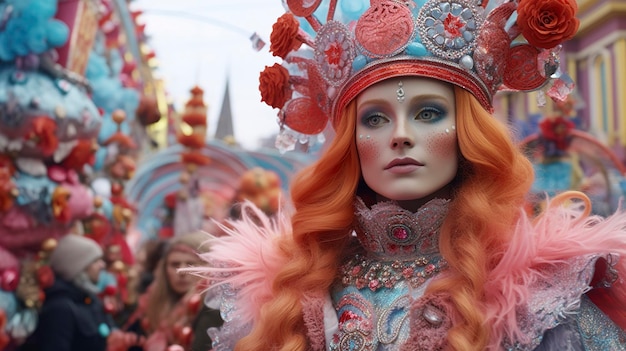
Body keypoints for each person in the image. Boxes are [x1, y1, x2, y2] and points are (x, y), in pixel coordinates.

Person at [192, 0, 626, 350]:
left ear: (468, 134)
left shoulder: (541, 296)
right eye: (375, 119)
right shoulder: (288, 292)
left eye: (428, 113)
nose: (400, 136)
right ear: (350, 143)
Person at [19, 234, 140, 351]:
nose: (102, 265)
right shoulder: (60, 308)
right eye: (96, 261)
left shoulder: (90, 300)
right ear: (79, 266)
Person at [125, 231, 222, 350]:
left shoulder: (214, 308)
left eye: (190, 264)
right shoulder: (151, 305)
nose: (181, 271)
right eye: (175, 264)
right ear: (164, 270)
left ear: (207, 267)